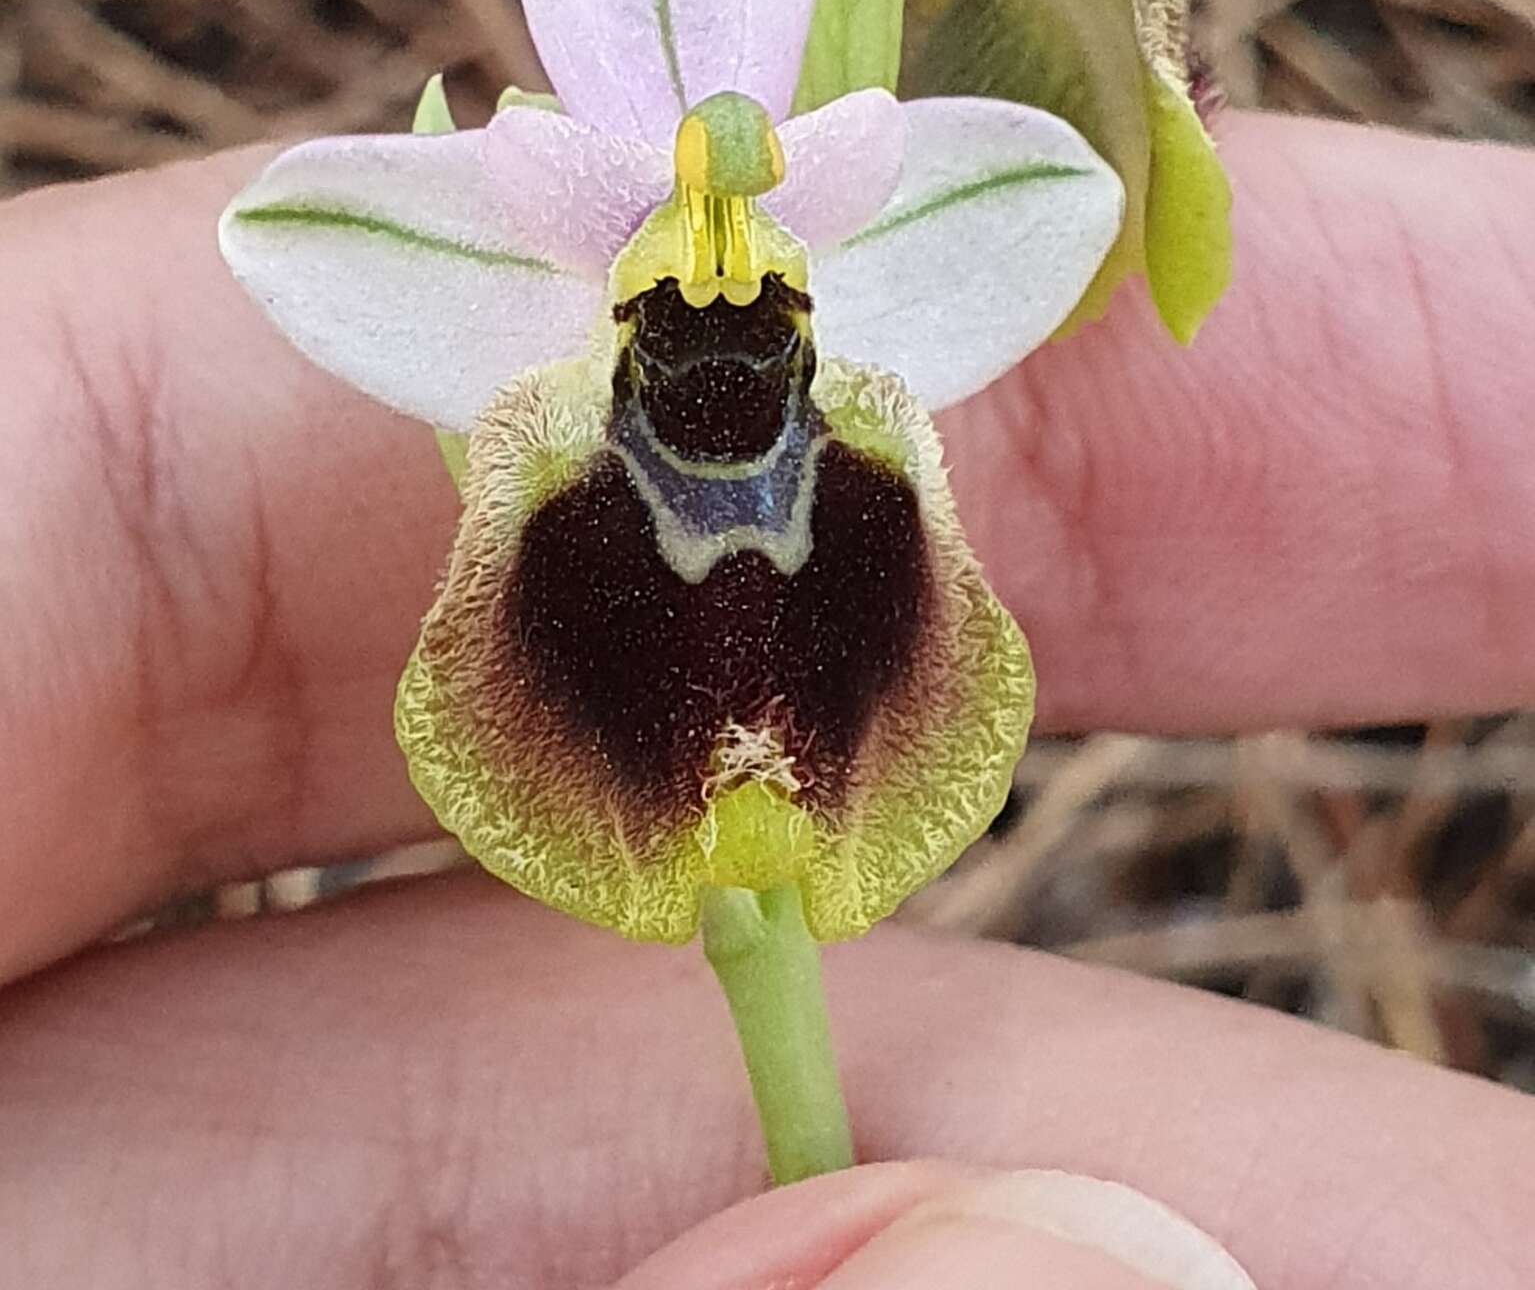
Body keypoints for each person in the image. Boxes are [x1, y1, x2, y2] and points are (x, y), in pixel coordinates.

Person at [0, 110, 1530, 1287]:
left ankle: (799, 812)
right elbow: (310, 229)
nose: (712, 313)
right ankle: (672, 819)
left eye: (740, 296)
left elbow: (1038, 193)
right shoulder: (581, 292)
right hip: (619, 460)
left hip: (792, 478)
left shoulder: (846, 260)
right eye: (684, 300)